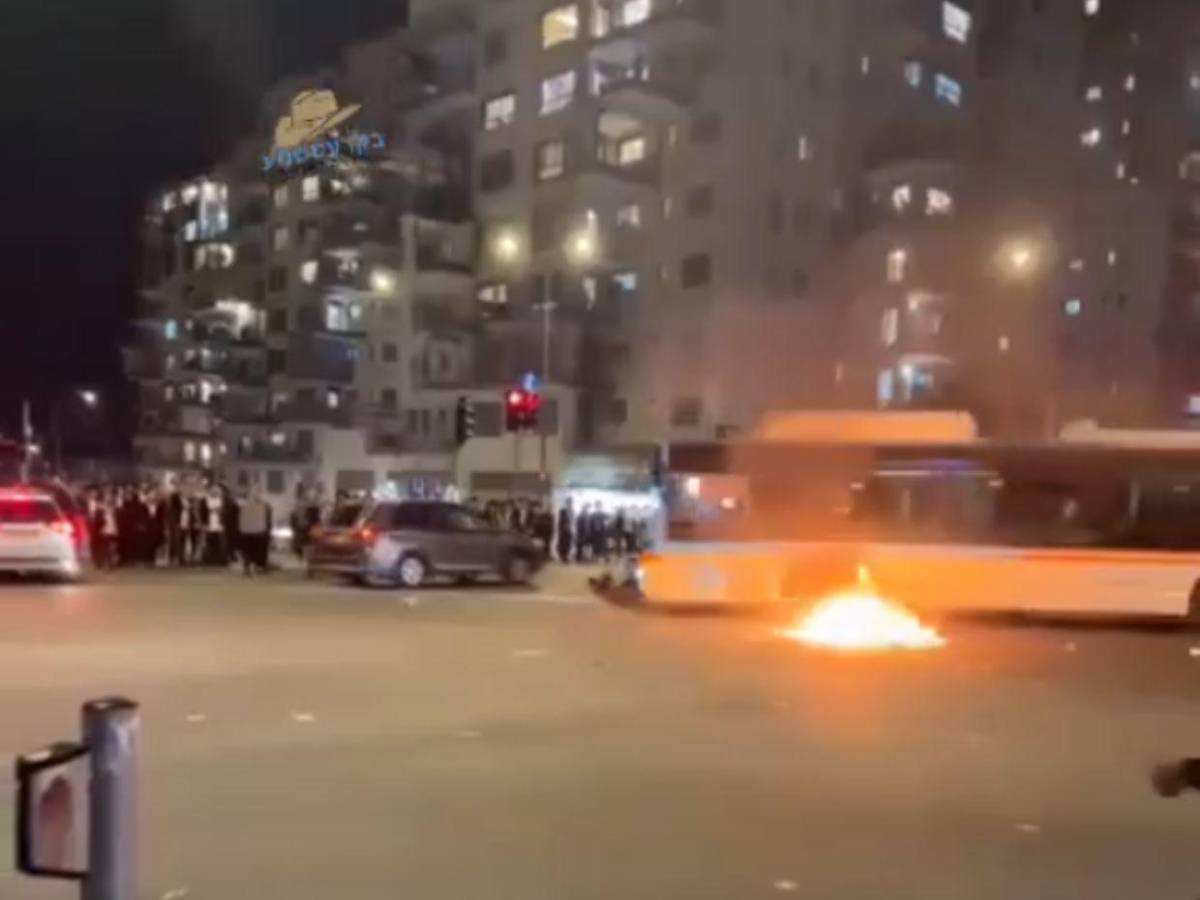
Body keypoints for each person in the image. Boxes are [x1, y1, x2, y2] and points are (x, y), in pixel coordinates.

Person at [238, 489, 273, 577]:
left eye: (258, 494)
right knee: (248, 551)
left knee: (256, 551)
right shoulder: (245, 505)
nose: (257, 496)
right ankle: (248, 569)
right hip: (249, 532)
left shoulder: (265, 506)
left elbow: (268, 519)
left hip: (258, 533)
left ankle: (255, 567)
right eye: (255, 494)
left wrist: (267, 530)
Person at [556, 499, 574, 563]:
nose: (570, 504)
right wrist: (559, 529)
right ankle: (562, 557)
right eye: (568, 503)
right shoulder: (562, 511)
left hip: (570, 530)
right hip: (563, 530)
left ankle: (566, 556)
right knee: (562, 543)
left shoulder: (572, 511)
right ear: (566, 503)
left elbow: (573, 521)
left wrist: (572, 529)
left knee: (568, 544)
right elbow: (560, 521)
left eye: (571, 503)